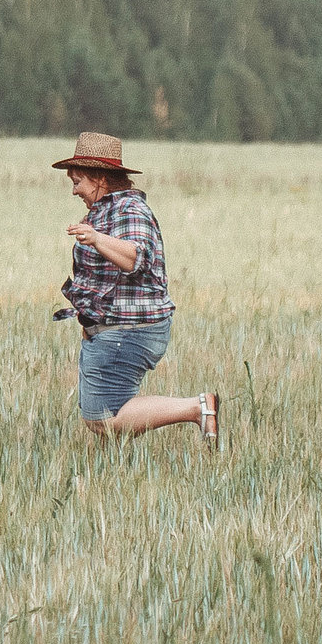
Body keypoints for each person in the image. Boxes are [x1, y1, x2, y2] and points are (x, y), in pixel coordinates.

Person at [51, 132, 222, 447]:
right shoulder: (104, 211)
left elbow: (136, 257)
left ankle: (197, 408)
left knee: (104, 418)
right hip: (115, 331)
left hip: (130, 330)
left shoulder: (129, 209)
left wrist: (97, 239)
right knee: (108, 415)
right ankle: (111, 475)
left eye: (78, 182)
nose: (74, 191)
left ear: (100, 178)